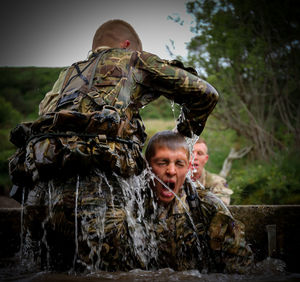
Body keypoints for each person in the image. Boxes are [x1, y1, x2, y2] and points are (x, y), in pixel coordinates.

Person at [8, 20, 219, 271]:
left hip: (39, 196)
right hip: (96, 193)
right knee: (112, 275)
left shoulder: (67, 76)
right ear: (127, 45)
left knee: (51, 272)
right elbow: (205, 93)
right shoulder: (134, 60)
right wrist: (184, 135)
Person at [145, 130, 253, 273]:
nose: (171, 170)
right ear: (147, 166)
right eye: (162, 162)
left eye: (179, 163)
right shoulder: (129, 206)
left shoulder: (207, 206)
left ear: (187, 166)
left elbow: (241, 269)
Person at [190, 138, 233, 205]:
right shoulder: (176, 181)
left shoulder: (218, 182)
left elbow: (221, 207)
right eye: (191, 152)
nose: (195, 157)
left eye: (199, 153)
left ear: (206, 159)